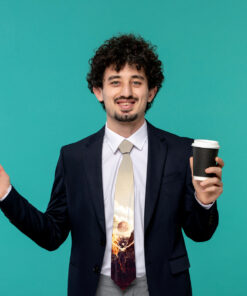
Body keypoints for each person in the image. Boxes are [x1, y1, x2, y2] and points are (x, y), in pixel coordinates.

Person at [0, 34, 224, 296]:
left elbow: (200, 233)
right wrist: (6, 194)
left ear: (151, 91)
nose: (126, 92)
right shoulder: (73, 158)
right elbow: (52, 234)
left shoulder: (181, 152)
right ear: (98, 91)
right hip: (95, 287)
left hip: (163, 286)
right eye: (115, 82)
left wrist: (204, 202)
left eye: (136, 82)